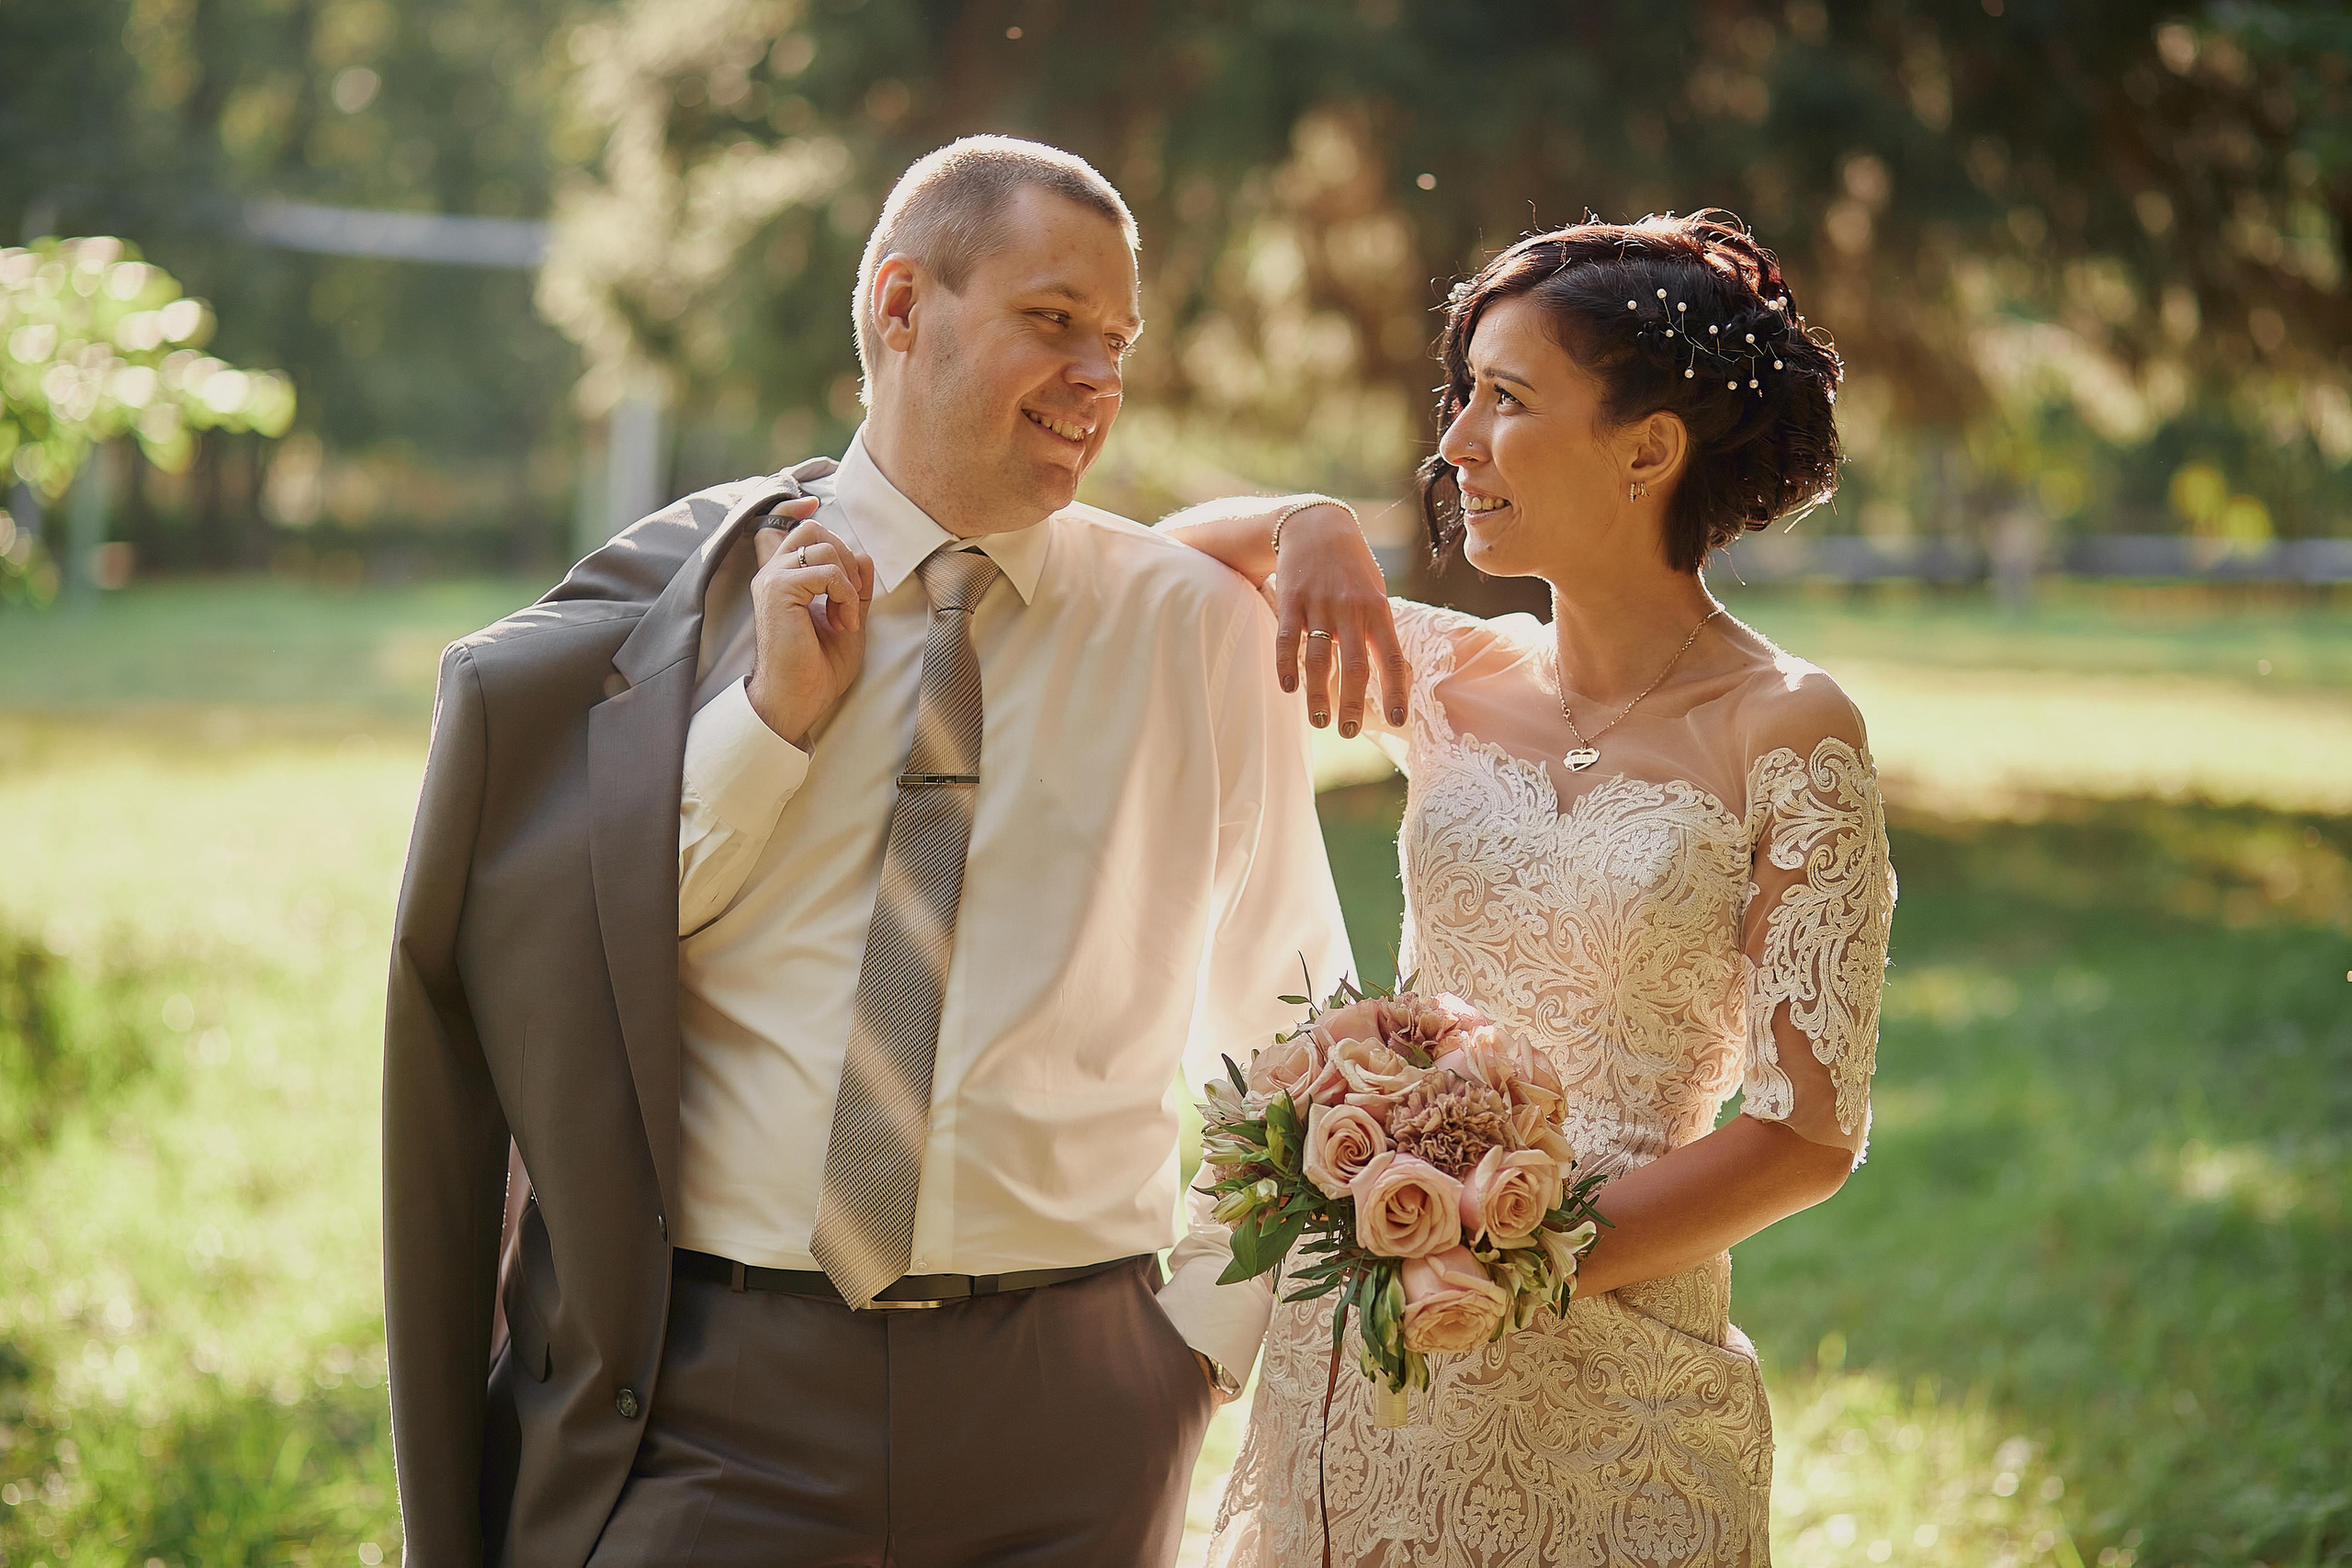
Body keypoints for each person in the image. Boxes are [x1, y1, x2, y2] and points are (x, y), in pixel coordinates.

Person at [382, 135, 1351, 1567]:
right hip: (716, 1400)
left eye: (1119, 339)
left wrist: (1196, 1351)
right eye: (1053, 322)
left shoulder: (1196, 634)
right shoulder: (680, 622)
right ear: (903, 305)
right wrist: (771, 725)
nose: (1100, 376)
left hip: (1075, 1407)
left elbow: (1292, 1015)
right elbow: (582, 967)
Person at [1164, 213, 1898, 1566]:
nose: (1455, 445)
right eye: (1463, 399)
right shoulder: (1449, 678)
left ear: (1647, 449)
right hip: (1372, 1373)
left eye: (1505, 401)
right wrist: (1306, 520)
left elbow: (1807, 1132)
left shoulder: (1789, 728)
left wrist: (1500, 1256)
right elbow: (1166, 567)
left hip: (1619, 1391)